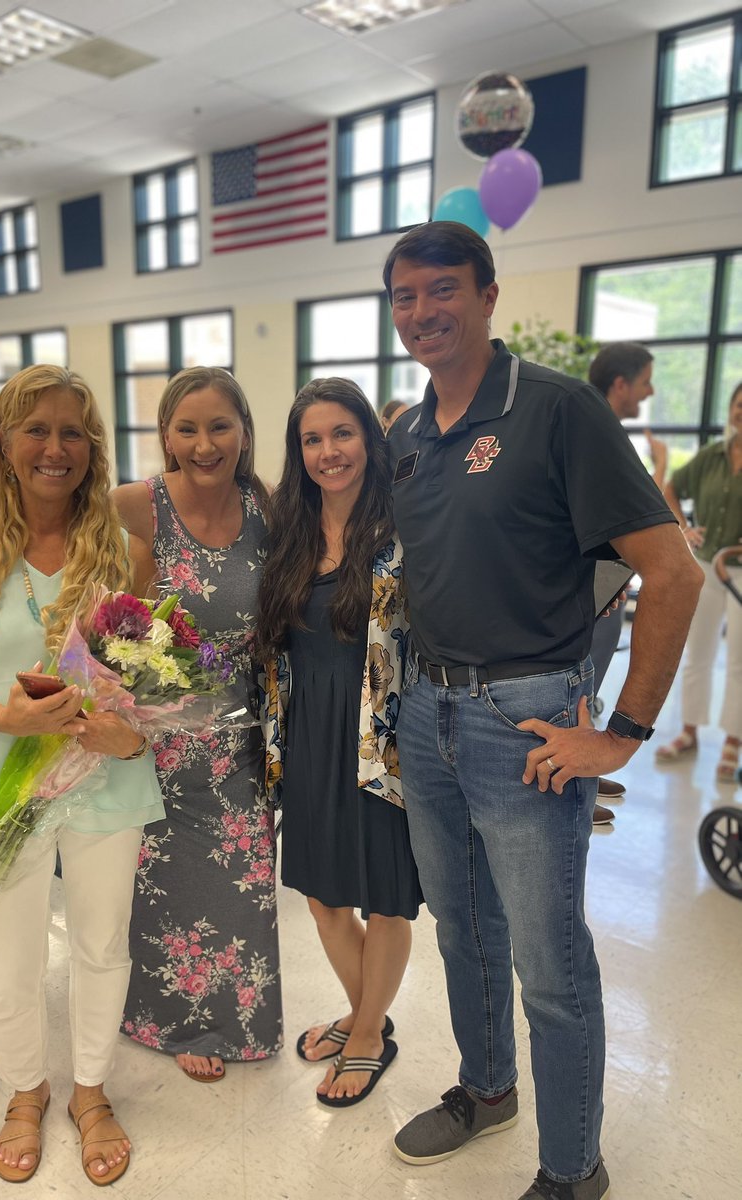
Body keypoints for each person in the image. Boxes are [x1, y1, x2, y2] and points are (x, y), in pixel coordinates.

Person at [382, 222, 702, 1200]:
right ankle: (487, 1091)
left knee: (550, 964)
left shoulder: (558, 411)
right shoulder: (405, 433)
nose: (424, 312)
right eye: (405, 298)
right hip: (425, 711)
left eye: (443, 290)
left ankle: (574, 1166)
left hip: (523, 724)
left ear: (485, 294)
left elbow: (672, 572)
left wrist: (621, 733)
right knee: (460, 930)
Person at [0, 364, 164, 1186]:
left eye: (73, 431)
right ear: (3, 439)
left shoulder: (126, 551)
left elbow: (154, 678)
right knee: (6, 961)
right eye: (37, 428)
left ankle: (89, 1093)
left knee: (102, 946)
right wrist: (11, 719)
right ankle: (25, 1091)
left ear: (92, 448)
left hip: (103, 783)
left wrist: (125, 739)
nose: (55, 448)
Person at [113, 366, 283, 1080]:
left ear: (244, 431)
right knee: (168, 878)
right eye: (187, 428)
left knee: (246, 872)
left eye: (220, 426)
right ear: (165, 435)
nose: (204, 443)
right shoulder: (138, 504)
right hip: (163, 726)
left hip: (245, 731)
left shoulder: (268, 508)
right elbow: (39, 517)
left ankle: (236, 1019)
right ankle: (175, 1019)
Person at [256, 377, 421, 1106]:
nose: (329, 452)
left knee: (385, 897)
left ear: (368, 439)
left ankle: (363, 1035)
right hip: (309, 737)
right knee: (324, 896)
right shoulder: (286, 531)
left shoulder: (407, 527)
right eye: (312, 439)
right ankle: (369, 1019)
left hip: (383, 741)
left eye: (342, 434)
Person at [586, 342, 666, 821]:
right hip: (596, 587)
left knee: (590, 679)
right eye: (644, 381)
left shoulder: (600, 430)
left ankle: (585, 777)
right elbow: (639, 513)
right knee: (580, 681)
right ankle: (576, 783)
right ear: (620, 385)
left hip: (608, 583)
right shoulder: (596, 433)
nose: (650, 390)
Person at [655, 381, 742, 782]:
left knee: (739, 662)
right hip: (706, 566)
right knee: (697, 653)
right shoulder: (711, 457)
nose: (740, 412)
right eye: (738, 405)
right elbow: (672, 488)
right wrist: (684, 527)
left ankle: (732, 744)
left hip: (739, 571)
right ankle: (688, 732)